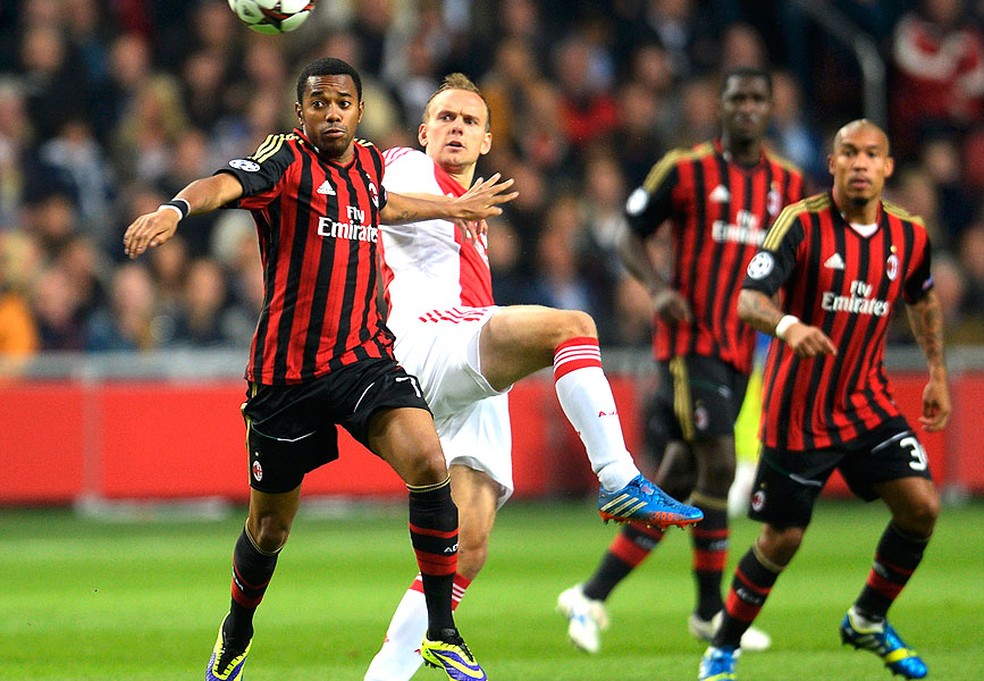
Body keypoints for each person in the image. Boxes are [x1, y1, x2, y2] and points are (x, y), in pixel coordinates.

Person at [122, 57, 519, 681]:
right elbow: (223, 184)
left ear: (358, 112)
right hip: (288, 377)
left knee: (427, 460)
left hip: (363, 358)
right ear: (299, 111)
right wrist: (175, 208)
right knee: (270, 529)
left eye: (342, 103)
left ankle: (442, 632)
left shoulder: (366, 163)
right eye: (318, 103)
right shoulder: (283, 162)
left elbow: (386, 204)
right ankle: (236, 629)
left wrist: (454, 207)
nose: (330, 112)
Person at [363, 73, 703, 681]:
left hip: (466, 359)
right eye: (444, 118)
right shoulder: (401, 166)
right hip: (425, 341)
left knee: (467, 546)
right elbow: (362, 199)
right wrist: (453, 206)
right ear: (423, 131)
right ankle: (619, 476)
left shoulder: (477, 204)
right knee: (571, 326)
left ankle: (386, 674)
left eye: (469, 120)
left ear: (489, 139)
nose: (456, 128)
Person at [558, 67, 805, 654]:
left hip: (743, 347)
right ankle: (710, 613)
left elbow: (797, 261)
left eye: (756, 98)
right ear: (719, 105)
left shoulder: (789, 186)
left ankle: (590, 595)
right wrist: (657, 287)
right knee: (720, 465)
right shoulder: (686, 170)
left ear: (770, 108)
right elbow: (628, 233)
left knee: (679, 479)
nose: (746, 107)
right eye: (736, 97)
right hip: (690, 345)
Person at [698, 119, 950, 681]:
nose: (860, 163)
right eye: (848, 153)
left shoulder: (909, 235)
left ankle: (867, 618)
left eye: (872, 154)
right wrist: (787, 325)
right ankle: (724, 646)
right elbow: (748, 299)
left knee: (923, 506)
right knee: (781, 540)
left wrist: (936, 370)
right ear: (832, 163)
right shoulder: (801, 223)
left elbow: (923, 297)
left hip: (868, 403)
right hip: (798, 415)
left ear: (887, 167)